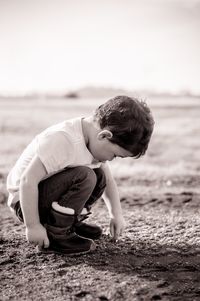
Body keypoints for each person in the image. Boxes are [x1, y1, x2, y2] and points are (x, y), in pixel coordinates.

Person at [7, 95, 154, 255]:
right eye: (115, 155)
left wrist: (116, 215)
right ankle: (57, 234)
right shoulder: (64, 139)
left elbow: (109, 181)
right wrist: (33, 226)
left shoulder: (94, 143)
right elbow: (27, 180)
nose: (112, 159)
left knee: (99, 176)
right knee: (85, 176)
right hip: (25, 202)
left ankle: (69, 224)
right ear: (104, 136)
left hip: (45, 195)